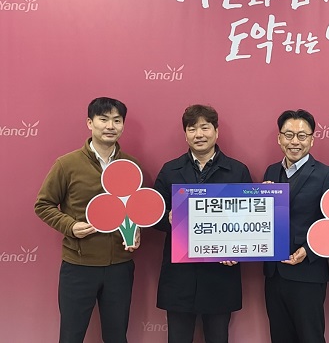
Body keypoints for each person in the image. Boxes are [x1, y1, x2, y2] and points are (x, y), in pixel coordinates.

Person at [34, 97, 140, 343]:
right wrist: (70, 226)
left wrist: (135, 232)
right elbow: (43, 204)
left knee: (117, 336)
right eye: (103, 119)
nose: (110, 126)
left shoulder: (131, 165)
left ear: (123, 125)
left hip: (120, 266)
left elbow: (135, 208)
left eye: (117, 120)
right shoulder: (67, 164)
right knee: (71, 336)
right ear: (90, 123)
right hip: (78, 266)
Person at [153, 104, 252, 343]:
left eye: (205, 128)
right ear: (185, 134)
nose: (199, 134)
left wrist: (237, 250)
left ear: (216, 132)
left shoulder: (237, 171)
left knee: (218, 337)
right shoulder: (170, 170)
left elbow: (249, 221)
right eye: (192, 129)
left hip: (220, 274)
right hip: (180, 276)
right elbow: (153, 215)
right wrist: (167, 218)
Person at [262, 109, 329, 343]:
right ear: (279, 138)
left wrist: (308, 250)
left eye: (302, 135)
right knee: (279, 337)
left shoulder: (327, 175)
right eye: (288, 135)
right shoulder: (271, 171)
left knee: (310, 338)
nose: (294, 141)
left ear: (312, 140)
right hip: (274, 274)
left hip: (308, 273)